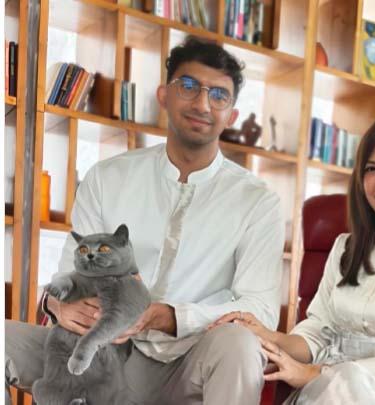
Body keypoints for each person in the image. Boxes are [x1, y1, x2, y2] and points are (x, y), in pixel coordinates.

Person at [5, 36, 285, 405]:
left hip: (189, 363)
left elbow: (260, 309)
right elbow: (70, 273)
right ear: (164, 95)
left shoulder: (258, 201)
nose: (202, 104)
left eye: (218, 95)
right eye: (189, 86)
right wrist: (58, 305)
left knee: (240, 343)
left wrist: (166, 316)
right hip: (100, 353)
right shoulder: (107, 177)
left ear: (231, 116)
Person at [209, 115, 375, 404]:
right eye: (372, 169)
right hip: (321, 394)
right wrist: (269, 336)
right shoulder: (344, 248)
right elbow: (317, 333)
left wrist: (317, 374)